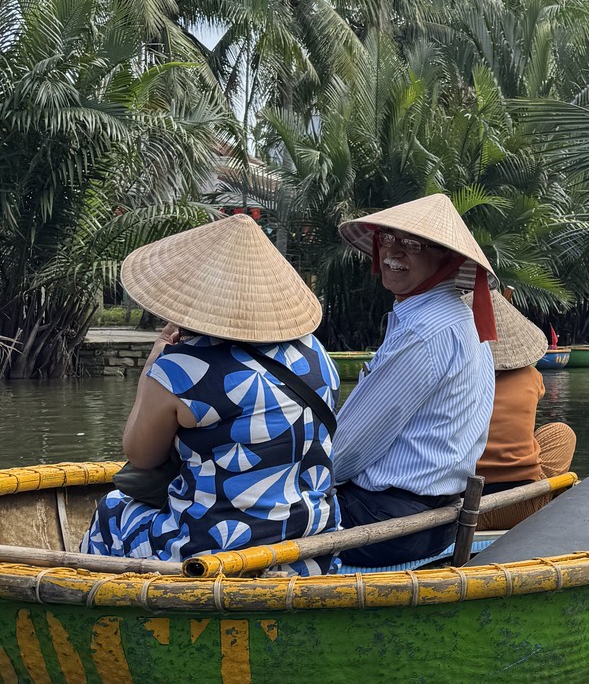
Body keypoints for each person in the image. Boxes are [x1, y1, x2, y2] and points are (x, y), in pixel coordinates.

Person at [83, 214, 338, 565]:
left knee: (112, 509)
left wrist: (155, 361)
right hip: (311, 544)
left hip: (212, 551)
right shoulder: (316, 354)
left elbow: (141, 455)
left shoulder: (180, 366)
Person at [331, 195, 497, 569]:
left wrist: (298, 481)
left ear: (447, 259)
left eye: (412, 245)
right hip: (433, 517)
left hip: (385, 521)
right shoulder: (456, 318)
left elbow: (346, 452)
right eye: (387, 239)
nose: (393, 252)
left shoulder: (426, 330)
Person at [479, 291, 578, 489]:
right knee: (563, 433)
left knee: (554, 433)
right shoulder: (531, 377)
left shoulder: (451, 378)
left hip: (462, 496)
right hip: (521, 499)